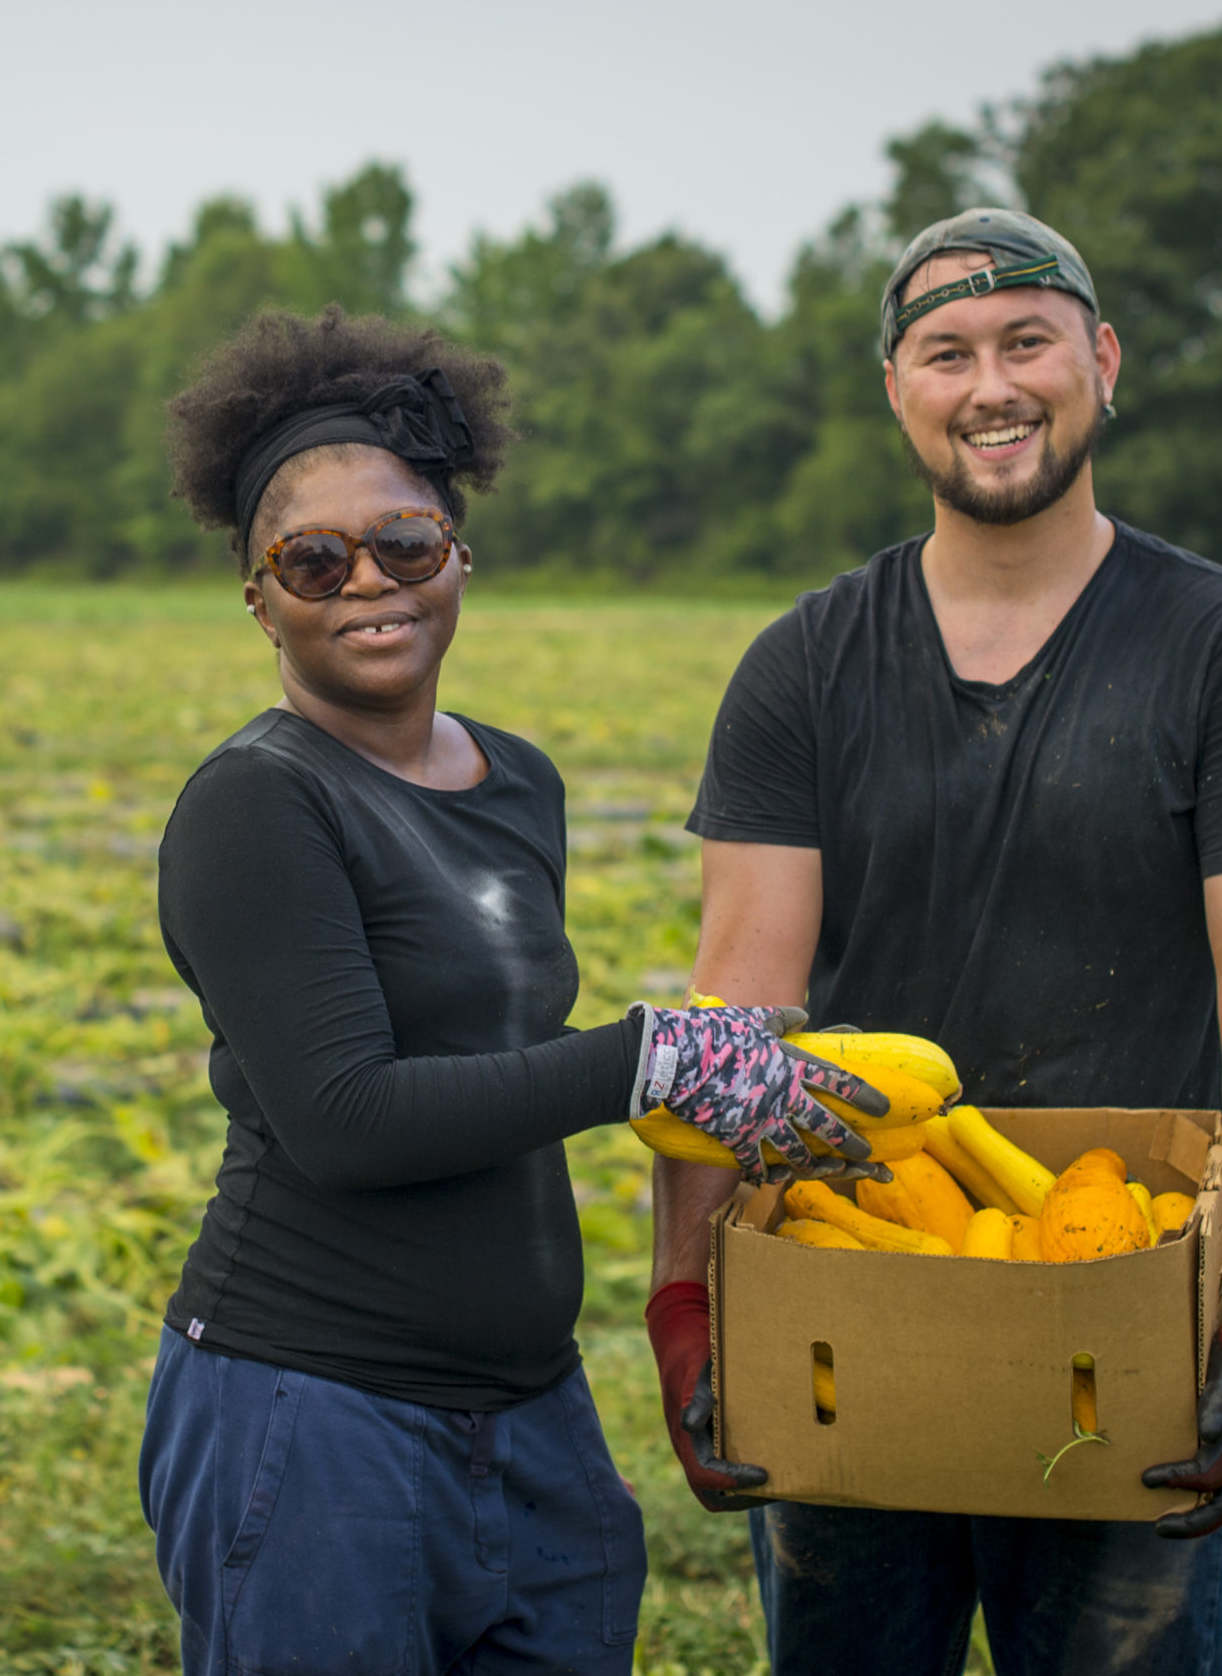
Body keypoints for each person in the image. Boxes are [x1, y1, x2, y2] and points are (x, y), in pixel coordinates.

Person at [644, 209, 1222, 1674]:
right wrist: (684, 1295)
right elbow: (743, 1007)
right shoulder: (804, 666)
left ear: (1102, 359)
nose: (993, 385)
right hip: (853, 1287)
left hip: (1120, 1300)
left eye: (1028, 341)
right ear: (897, 389)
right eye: (947, 351)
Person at [136, 305, 897, 1675]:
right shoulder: (257, 803)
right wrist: (649, 1063)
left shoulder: (518, 779)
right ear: (260, 598)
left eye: (405, 542)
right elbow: (347, 1118)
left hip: (531, 1414)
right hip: (310, 1415)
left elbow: (500, 1053)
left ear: (459, 560)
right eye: (312, 559)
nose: (366, 579)